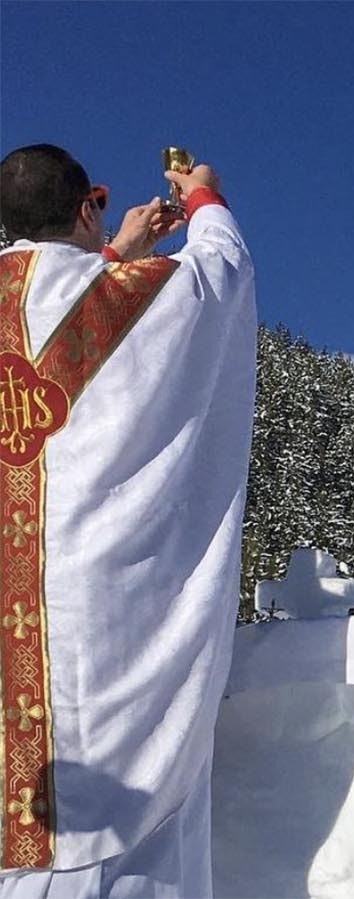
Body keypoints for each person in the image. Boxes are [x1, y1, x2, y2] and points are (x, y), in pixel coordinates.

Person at [0, 144, 255, 896]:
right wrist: (204, 197)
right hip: (99, 625)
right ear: (86, 205)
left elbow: (49, 316)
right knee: (118, 832)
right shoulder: (129, 295)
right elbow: (220, 276)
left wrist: (113, 251)